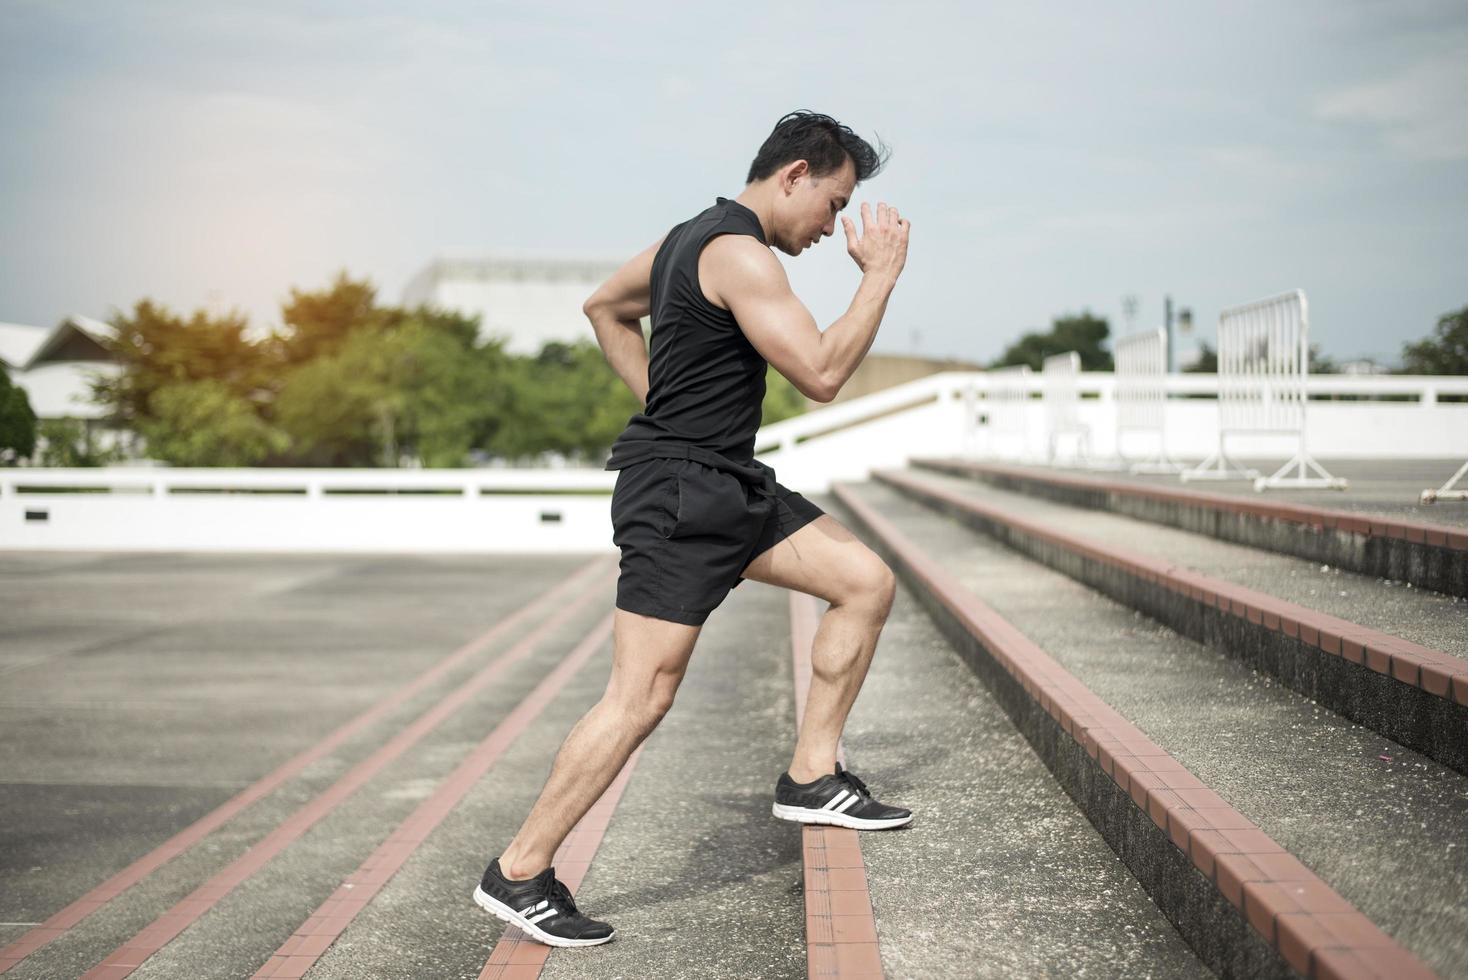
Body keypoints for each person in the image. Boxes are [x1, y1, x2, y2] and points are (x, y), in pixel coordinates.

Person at [473, 110, 912, 948]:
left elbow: (604, 307)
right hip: (680, 493)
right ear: (794, 175)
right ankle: (520, 871)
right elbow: (819, 372)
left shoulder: (686, 238)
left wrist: (666, 407)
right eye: (833, 203)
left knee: (864, 582)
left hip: (725, 483)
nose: (833, 227)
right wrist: (880, 277)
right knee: (641, 695)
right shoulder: (739, 253)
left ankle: (812, 774)